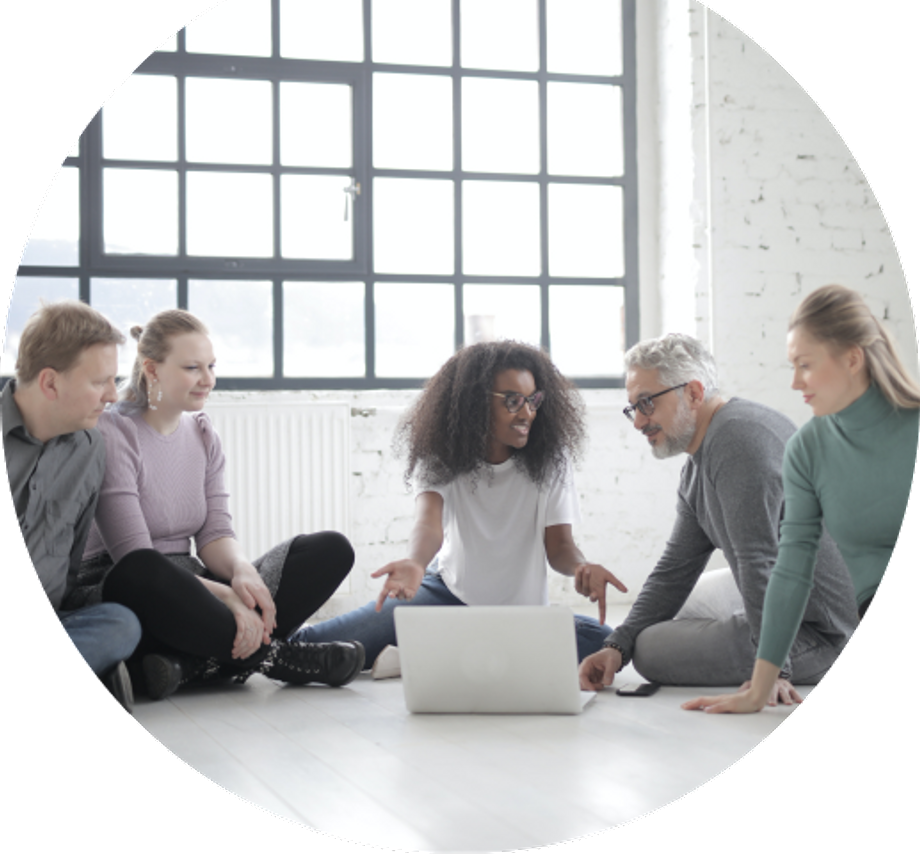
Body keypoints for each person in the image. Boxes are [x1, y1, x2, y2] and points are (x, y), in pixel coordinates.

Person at [63, 309, 364, 700]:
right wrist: (226, 598)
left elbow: (215, 532)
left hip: (194, 580)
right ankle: (277, 659)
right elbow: (133, 554)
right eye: (192, 368)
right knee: (143, 570)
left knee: (331, 549)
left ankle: (188, 667)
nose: (208, 380)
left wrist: (241, 572)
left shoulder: (203, 434)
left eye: (211, 366)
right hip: (130, 585)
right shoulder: (113, 431)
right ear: (152, 369)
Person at [291, 340, 626, 671]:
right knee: (308, 647)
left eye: (533, 400)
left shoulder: (551, 459)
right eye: (512, 401)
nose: (527, 413)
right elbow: (428, 523)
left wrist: (581, 566)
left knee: (605, 641)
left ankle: (426, 653)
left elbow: (560, 547)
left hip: (520, 616)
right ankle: (446, 651)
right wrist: (416, 562)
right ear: (475, 404)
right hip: (444, 596)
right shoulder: (443, 454)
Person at [579, 333, 858, 698]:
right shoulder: (701, 461)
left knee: (650, 651)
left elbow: (759, 560)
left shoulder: (738, 441)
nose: (637, 422)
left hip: (824, 633)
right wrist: (616, 647)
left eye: (646, 403)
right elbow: (674, 569)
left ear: (694, 393)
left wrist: (771, 671)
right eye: (633, 407)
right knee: (655, 626)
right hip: (790, 602)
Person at [684, 285, 920, 713]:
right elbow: (791, 571)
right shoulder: (808, 449)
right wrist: (761, 686)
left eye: (805, 366)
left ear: (852, 358)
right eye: (793, 366)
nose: (795, 383)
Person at [2, 300, 141, 710]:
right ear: (50, 384)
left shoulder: (89, 448)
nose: (113, 395)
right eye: (100, 382)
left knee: (121, 623)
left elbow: (70, 564)